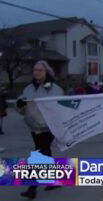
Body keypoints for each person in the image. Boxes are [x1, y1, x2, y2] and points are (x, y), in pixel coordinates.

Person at [15, 60, 64, 199]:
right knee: (45, 152)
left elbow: (61, 107)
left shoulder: (54, 88)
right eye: (35, 70)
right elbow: (22, 109)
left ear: (46, 72)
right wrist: (20, 104)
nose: (37, 72)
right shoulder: (29, 88)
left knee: (39, 153)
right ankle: (54, 180)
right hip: (34, 127)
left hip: (48, 127)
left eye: (40, 70)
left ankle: (32, 187)